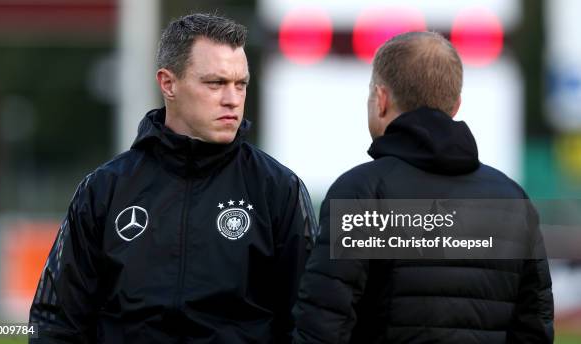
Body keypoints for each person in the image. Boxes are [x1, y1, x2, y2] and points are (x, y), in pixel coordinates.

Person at [30, 13, 317, 343]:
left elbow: (309, 319)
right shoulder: (105, 190)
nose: (233, 99)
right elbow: (56, 319)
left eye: (241, 84)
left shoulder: (278, 189)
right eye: (215, 83)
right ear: (168, 84)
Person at [292, 32, 554, 343]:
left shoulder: (361, 193)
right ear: (456, 105)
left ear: (382, 99)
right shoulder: (513, 200)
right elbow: (534, 329)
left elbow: (322, 327)